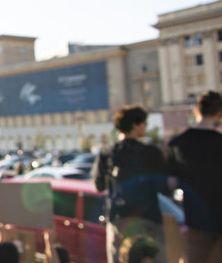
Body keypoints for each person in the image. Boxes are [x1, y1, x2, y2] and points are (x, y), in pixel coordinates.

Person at [92, 105, 167, 263]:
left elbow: (98, 185)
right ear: (135, 125)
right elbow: (164, 187)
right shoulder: (151, 152)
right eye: (144, 124)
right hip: (149, 218)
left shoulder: (107, 152)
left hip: (119, 219)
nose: (146, 127)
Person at [166, 90, 222, 262]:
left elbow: (171, 183)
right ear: (220, 113)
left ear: (196, 111)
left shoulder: (178, 144)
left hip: (196, 221)